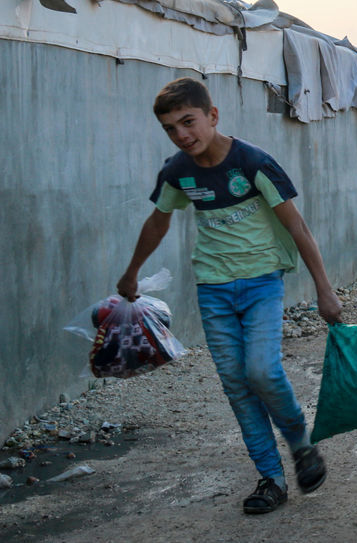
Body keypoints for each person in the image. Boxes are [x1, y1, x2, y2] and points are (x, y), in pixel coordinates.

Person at [116, 77, 340, 515]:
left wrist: (324, 289)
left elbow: (298, 227)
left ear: (212, 117)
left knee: (261, 370)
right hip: (213, 290)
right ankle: (271, 479)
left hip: (261, 284)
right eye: (171, 128)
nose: (182, 135)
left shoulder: (253, 163)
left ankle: (300, 442)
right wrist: (131, 273)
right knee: (237, 386)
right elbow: (157, 222)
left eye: (188, 122)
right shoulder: (177, 171)